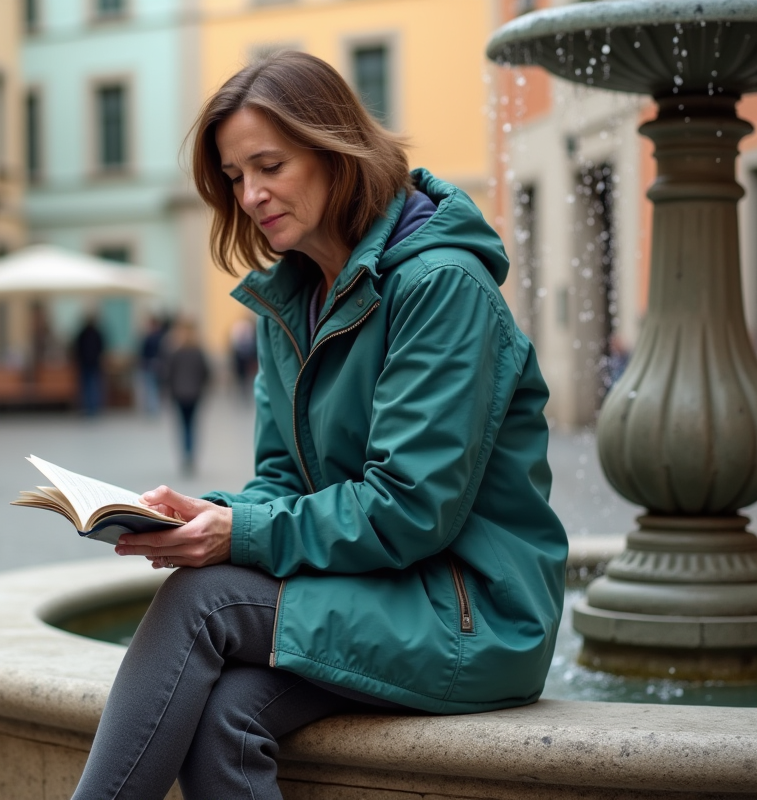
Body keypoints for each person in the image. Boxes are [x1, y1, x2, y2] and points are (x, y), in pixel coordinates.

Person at [70, 51, 567, 800]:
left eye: (269, 165)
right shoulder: (291, 297)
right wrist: (206, 514)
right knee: (227, 715)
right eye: (235, 177)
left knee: (203, 599)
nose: (251, 195)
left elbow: (411, 505)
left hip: (471, 611)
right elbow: (283, 480)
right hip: (374, 591)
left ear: (336, 148)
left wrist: (232, 536)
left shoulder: (440, 286)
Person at [163, 318, 211, 474]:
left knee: (183, 425)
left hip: (179, 393)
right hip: (195, 393)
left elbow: (169, 374)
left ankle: (186, 454)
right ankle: (190, 455)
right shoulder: (198, 351)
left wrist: (170, 391)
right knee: (192, 425)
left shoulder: (176, 352)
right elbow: (206, 372)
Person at [72, 312, 106, 416]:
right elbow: (102, 348)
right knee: (92, 386)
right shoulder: (95, 333)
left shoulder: (84, 333)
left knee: (89, 386)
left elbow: (77, 348)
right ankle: (92, 408)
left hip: (88, 363)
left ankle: (90, 408)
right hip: (91, 363)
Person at [137, 314, 168, 416]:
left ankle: (153, 409)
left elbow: (144, 351)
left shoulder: (151, 337)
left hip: (150, 364)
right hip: (156, 364)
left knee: (151, 388)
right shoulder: (162, 337)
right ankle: (154, 408)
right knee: (154, 388)